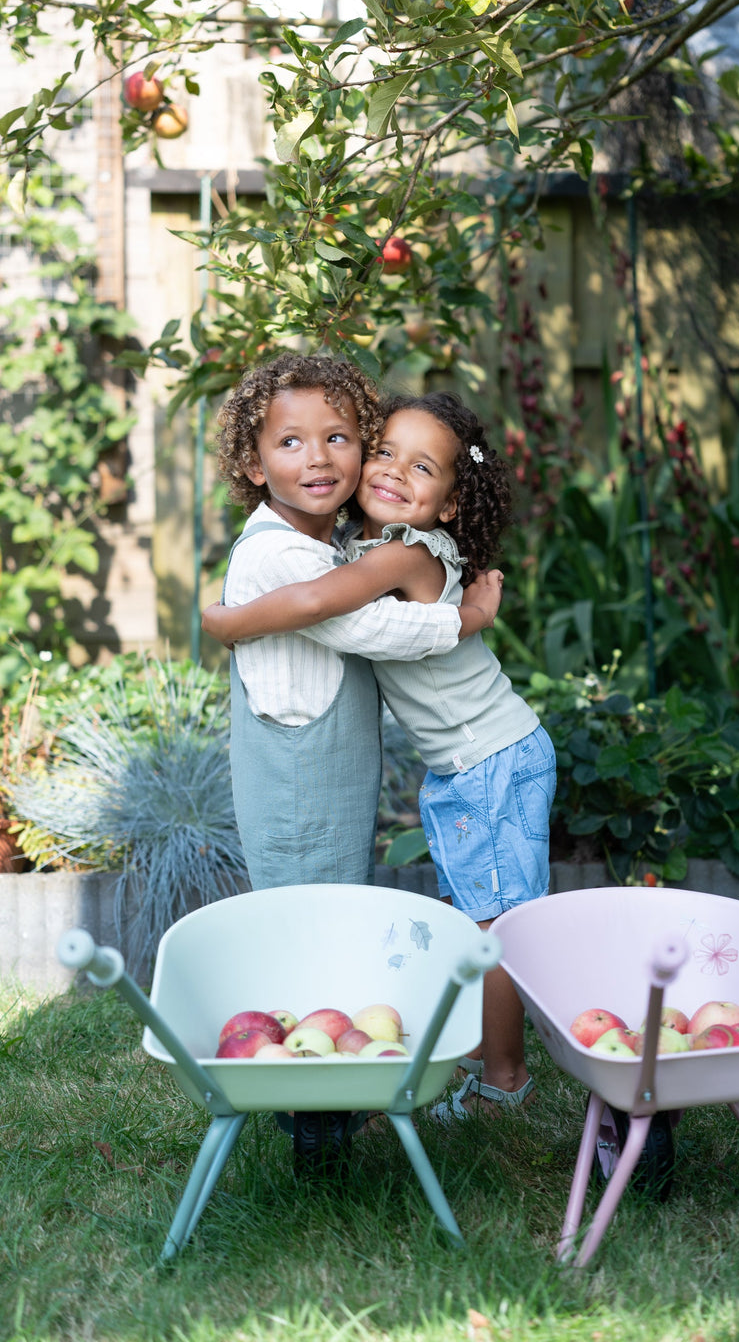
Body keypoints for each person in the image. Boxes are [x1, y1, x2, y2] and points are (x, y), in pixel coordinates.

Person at [204, 391, 554, 1118]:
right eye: (386, 451)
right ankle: (489, 1066)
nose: (393, 471)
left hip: (491, 762)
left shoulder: (404, 552)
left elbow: (317, 602)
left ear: (450, 506)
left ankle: (506, 1079)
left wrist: (228, 620)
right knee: (479, 917)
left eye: (421, 466)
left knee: (492, 927)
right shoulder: (372, 544)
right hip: (471, 765)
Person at [212, 356, 503, 894]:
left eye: (338, 438)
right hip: (299, 782)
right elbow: (365, 625)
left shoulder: (337, 545)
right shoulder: (280, 550)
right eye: (291, 443)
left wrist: (229, 622)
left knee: (337, 911)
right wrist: (466, 620)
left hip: (334, 772)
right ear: (256, 466)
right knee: (311, 919)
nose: (318, 458)